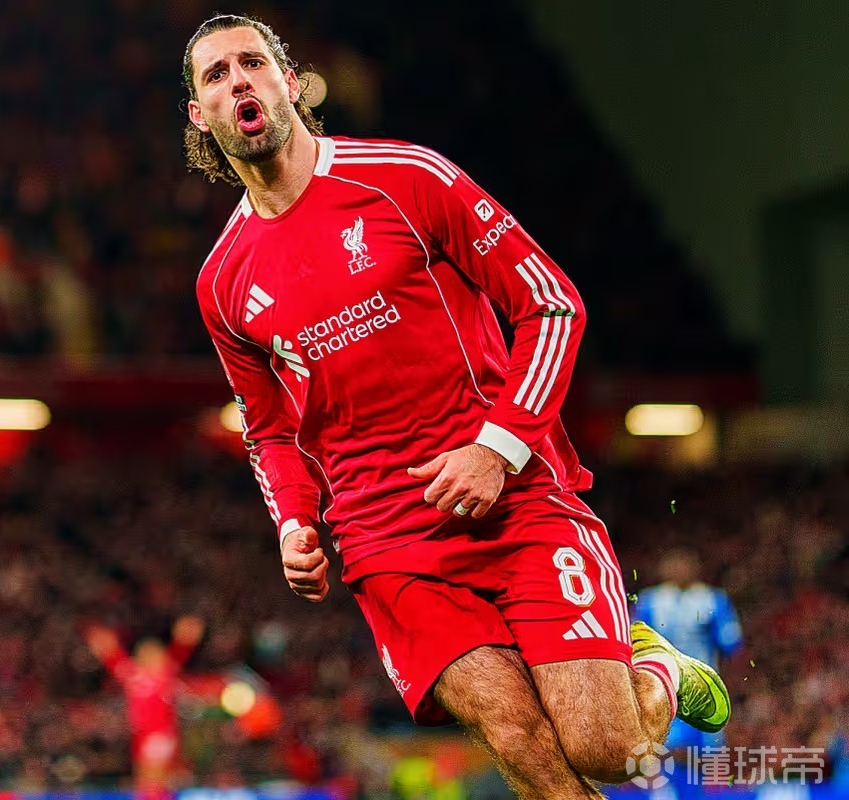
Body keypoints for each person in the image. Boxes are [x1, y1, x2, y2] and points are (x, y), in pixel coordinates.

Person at [184, 15, 730, 798]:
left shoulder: (407, 178)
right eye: (216, 73)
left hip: (514, 497)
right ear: (200, 114)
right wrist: (295, 521)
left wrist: (496, 447)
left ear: (291, 83)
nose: (239, 78)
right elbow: (268, 428)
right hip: (387, 536)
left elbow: (552, 304)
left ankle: (660, 671)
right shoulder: (222, 280)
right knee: (517, 735)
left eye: (254, 62)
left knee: (607, 751)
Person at [632, 547, 743, 751]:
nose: (679, 570)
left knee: (706, 750)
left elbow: (731, 643)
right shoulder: (649, 601)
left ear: (695, 567)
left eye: (684, 564)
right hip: (662, 687)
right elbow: (635, 643)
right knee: (662, 748)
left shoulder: (713, 600)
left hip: (703, 686)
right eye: (674, 564)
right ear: (663, 568)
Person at [85, 615, 206, 800]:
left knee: (155, 777)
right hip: (141, 735)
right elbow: (113, 658)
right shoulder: (133, 675)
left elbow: (181, 649)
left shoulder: (165, 673)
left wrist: (187, 635)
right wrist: (101, 642)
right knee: (145, 780)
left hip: (160, 734)